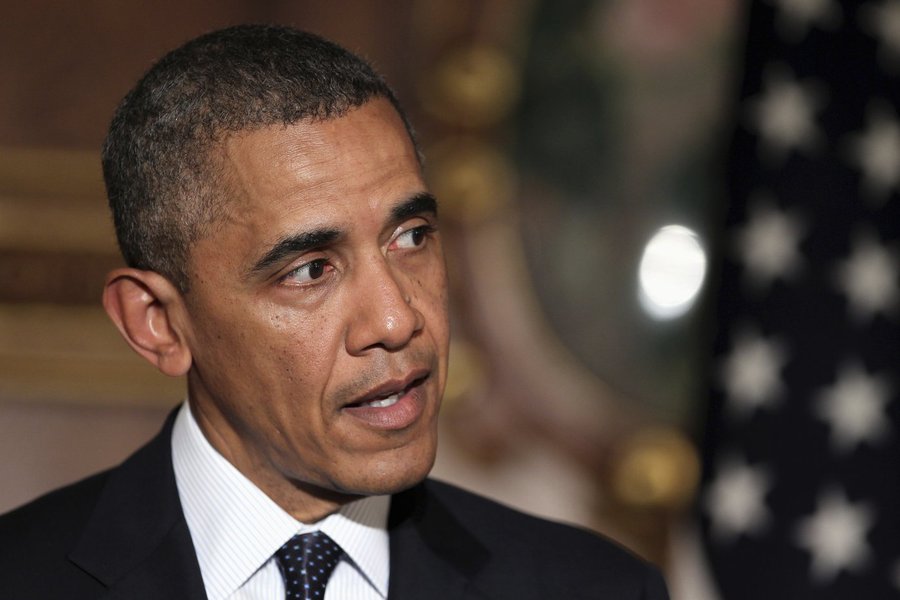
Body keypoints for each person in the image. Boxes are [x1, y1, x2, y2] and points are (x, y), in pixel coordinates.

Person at [0, 24, 669, 600]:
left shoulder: (595, 589)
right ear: (158, 323)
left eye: (411, 237)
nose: (396, 321)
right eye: (311, 270)